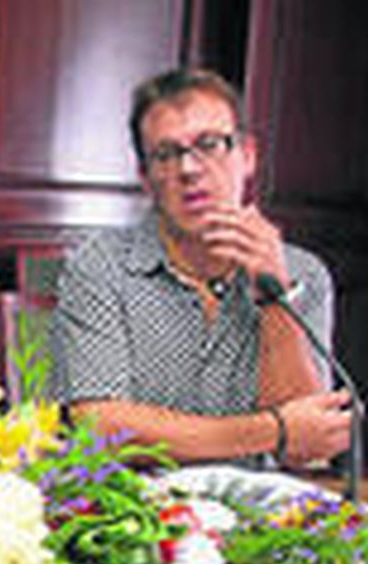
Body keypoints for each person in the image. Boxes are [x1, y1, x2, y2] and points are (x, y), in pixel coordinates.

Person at [50, 68, 352, 466]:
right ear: (145, 178)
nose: (189, 169)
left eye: (209, 145)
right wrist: (273, 430)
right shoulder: (100, 266)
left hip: (260, 503)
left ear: (247, 156)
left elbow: (308, 448)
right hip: (140, 499)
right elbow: (101, 427)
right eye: (165, 154)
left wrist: (274, 297)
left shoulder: (304, 274)